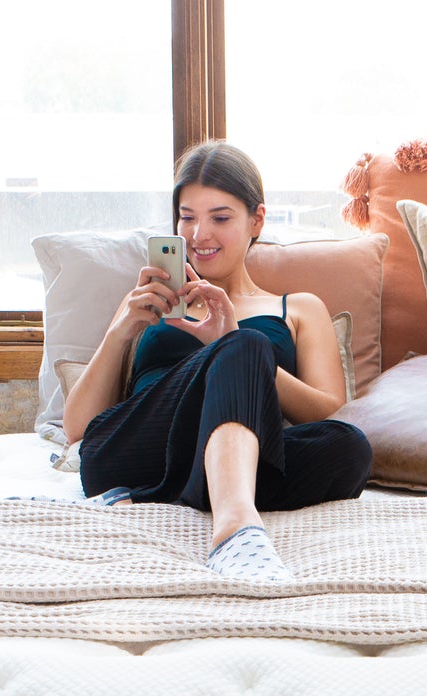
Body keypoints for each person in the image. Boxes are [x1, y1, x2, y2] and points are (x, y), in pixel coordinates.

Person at [62, 141, 372, 582]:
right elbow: (78, 429)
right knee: (244, 347)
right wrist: (121, 332)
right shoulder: (146, 304)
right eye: (187, 217)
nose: (198, 235)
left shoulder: (299, 308)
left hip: (235, 455)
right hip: (135, 450)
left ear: (256, 220)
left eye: (220, 218)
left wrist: (232, 341)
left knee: (349, 448)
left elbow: (327, 411)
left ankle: (192, 491)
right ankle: (235, 527)